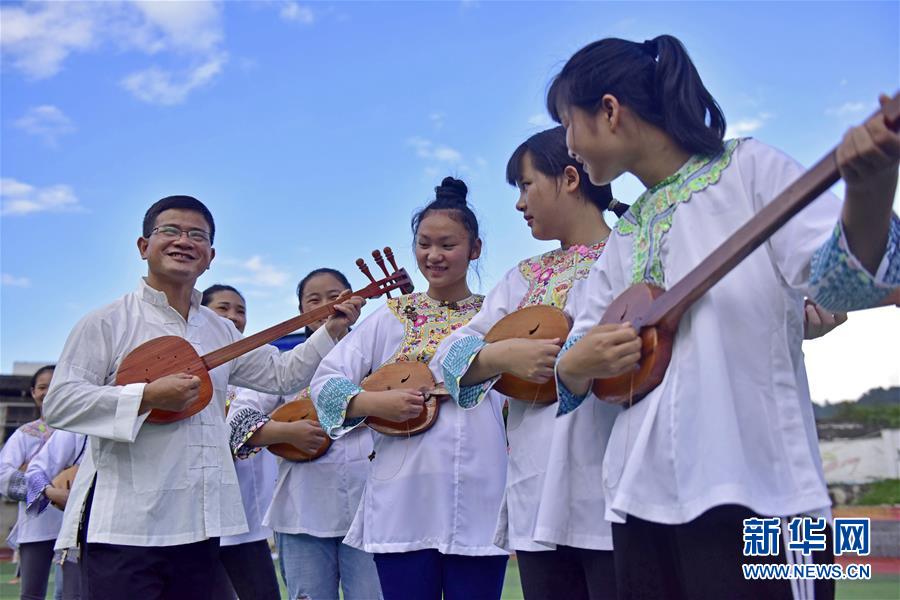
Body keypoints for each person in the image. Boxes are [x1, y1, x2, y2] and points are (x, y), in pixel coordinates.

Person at [550, 35, 900, 599]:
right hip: (639, 499)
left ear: (609, 111)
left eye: (569, 123)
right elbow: (574, 362)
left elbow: (843, 281)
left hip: (764, 491)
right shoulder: (628, 234)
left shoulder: (749, 169)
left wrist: (873, 187)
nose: (568, 145)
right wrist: (578, 365)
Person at [42, 195, 364, 600]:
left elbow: (281, 373)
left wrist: (331, 329)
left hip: (200, 522)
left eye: (197, 235)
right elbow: (61, 403)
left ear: (209, 256)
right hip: (125, 526)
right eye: (170, 231)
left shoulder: (219, 329)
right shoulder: (106, 322)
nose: (184, 241)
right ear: (144, 247)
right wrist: (145, 396)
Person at [433, 127, 626, 599]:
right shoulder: (523, 278)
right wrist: (501, 354)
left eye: (525, 185)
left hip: (616, 487)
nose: (519, 204)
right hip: (537, 489)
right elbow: (447, 356)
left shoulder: (634, 252)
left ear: (569, 178)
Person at [311, 177, 509, 600]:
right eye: (424, 243)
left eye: (448, 244)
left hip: (481, 490)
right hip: (402, 494)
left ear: (475, 250)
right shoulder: (391, 317)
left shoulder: (499, 314)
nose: (433, 256)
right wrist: (374, 401)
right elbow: (326, 383)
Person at [223, 272, 381, 600]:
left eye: (335, 296)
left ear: (353, 300)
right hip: (301, 512)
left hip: (371, 508)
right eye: (314, 300)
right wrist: (286, 431)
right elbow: (236, 421)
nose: (326, 306)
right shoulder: (285, 365)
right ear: (300, 311)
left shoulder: (380, 358)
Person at [0, 365, 63, 600]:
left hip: (74, 525)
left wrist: (32, 470)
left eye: (53, 386)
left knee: (68, 593)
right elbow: (3, 475)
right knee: (31, 595)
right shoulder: (24, 434)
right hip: (36, 525)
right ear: (33, 392)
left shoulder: (81, 431)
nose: (47, 392)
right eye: (42, 387)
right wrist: (48, 490)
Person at [25, 428, 88, 600]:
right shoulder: (78, 429)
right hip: (79, 533)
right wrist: (52, 492)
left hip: (136, 535)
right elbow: (34, 471)